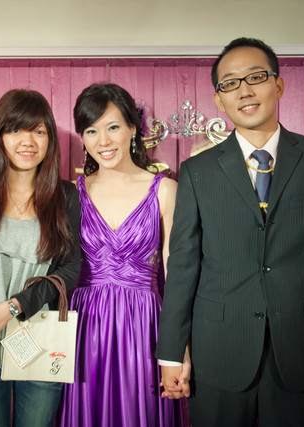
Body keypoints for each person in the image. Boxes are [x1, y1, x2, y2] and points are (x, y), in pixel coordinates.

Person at [156, 37, 304, 426]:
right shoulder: (198, 172)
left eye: (256, 77)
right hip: (218, 350)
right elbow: (183, 265)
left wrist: (294, 294)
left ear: (278, 84)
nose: (244, 91)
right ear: (219, 99)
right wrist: (172, 352)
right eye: (230, 83)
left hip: (297, 347)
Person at [58, 83, 186, 426]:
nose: (103, 141)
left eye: (113, 127)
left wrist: (179, 348)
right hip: (84, 326)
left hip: (144, 325)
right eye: (91, 131)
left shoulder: (166, 191)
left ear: (133, 127)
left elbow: (177, 275)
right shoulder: (70, 194)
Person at [0, 89, 80, 427]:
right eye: (15, 130)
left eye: (38, 131)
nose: (28, 141)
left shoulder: (65, 195)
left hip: (40, 345)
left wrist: (13, 306)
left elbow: (70, 268)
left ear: (50, 139)